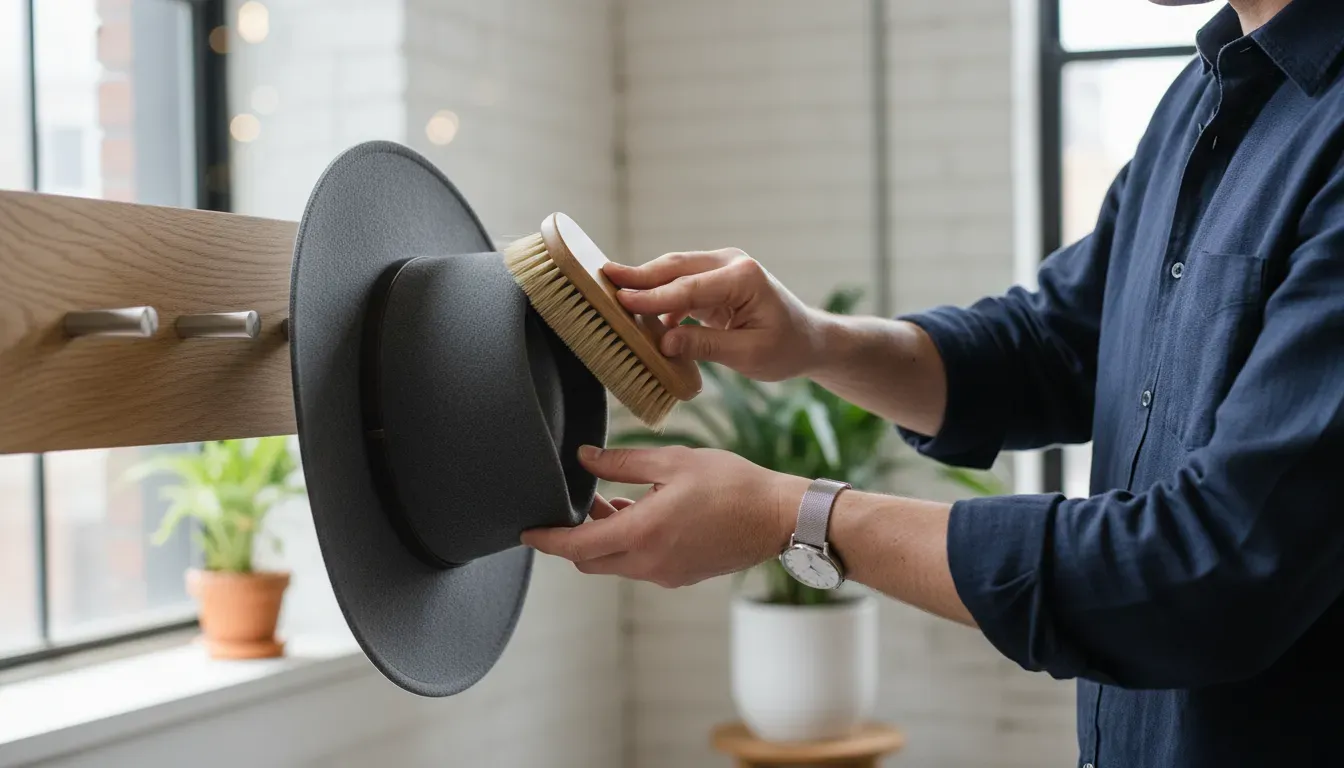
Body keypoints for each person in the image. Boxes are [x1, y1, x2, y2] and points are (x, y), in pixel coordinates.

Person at [523, 0, 1344, 764]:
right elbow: (1051, 350)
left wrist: (796, 516)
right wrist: (815, 340)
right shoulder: (1200, 102)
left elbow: (1212, 568)